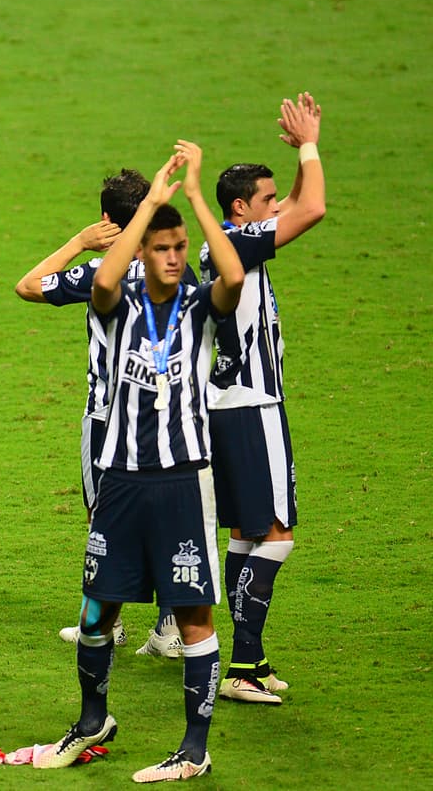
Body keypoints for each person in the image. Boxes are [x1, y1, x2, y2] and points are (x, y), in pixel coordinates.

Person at [33, 142, 245, 783]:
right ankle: (92, 719)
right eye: (161, 247)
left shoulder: (199, 307)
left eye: (180, 248)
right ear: (141, 250)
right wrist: (152, 201)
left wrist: (196, 199)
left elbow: (232, 279)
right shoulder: (118, 304)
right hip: (121, 477)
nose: (174, 258)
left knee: (193, 617)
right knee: (97, 608)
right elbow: (98, 279)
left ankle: (194, 749)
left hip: (183, 480)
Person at [15, 169, 190, 657]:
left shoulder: (101, 275)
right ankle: (171, 625)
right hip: (166, 416)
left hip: (108, 417)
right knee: (166, 518)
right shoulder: (178, 272)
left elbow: (28, 285)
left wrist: (80, 242)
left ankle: (106, 624)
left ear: (107, 220)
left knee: (104, 520)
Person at [201, 92, 326, 705]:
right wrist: (309, 145)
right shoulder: (236, 243)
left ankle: (252, 657)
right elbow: (316, 210)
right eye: (267, 201)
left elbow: (302, 203)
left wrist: (304, 158)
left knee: (246, 534)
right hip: (253, 406)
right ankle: (243, 666)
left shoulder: (227, 241)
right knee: (277, 534)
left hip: (226, 406)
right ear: (240, 209)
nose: (278, 208)